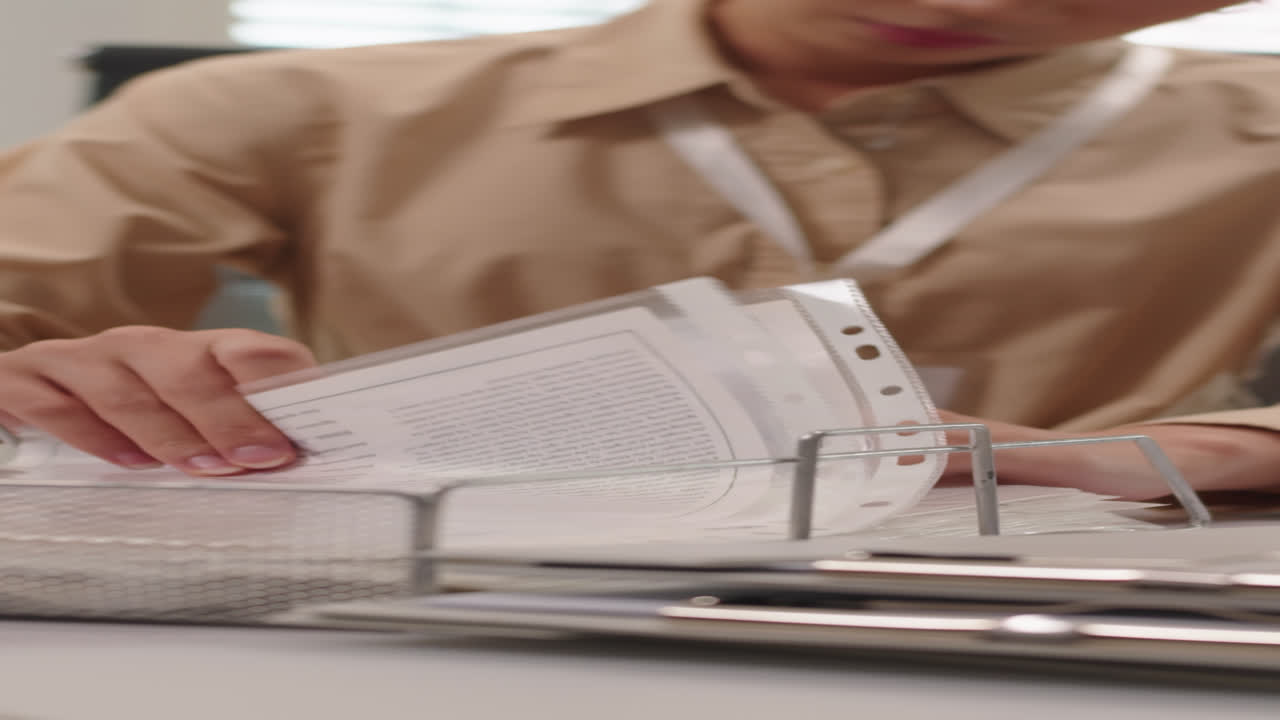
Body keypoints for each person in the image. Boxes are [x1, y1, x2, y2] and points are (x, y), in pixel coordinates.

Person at [0, 0, 1277, 501]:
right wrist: (74, 384)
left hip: (1074, 618)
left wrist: (1166, 457)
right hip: (435, 616)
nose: (969, 2)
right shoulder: (291, 110)